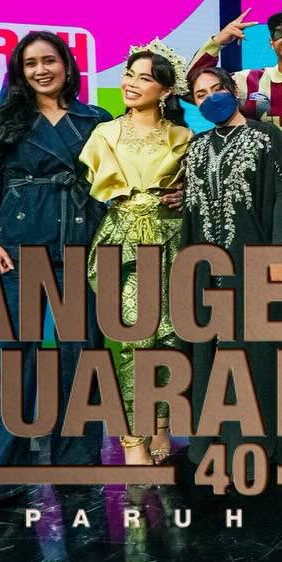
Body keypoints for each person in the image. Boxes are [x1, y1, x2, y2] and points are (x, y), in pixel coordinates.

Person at [0, 31, 111, 510]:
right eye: (30, 63)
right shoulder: (2, 120)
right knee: (12, 359)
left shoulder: (96, 119)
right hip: (19, 245)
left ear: (67, 65)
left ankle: (76, 467)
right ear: (20, 72)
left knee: (80, 357)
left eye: (49, 60)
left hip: (82, 244)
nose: (41, 70)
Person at [182, 65, 282, 470]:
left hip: (255, 264)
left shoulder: (267, 137)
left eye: (216, 89)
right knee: (212, 351)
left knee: (257, 352)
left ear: (233, 91)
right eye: (200, 94)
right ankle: (213, 444)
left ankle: (255, 446)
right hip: (206, 267)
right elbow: (191, 213)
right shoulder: (196, 146)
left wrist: (281, 259)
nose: (209, 98)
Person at [80, 40, 194, 465]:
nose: (131, 83)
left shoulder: (183, 137)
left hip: (172, 240)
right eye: (129, 74)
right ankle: (131, 440)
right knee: (131, 339)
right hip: (123, 238)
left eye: (144, 78)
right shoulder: (104, 134)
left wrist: (185, 196)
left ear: (165, 90)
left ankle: (160, 422)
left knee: (170, 338)